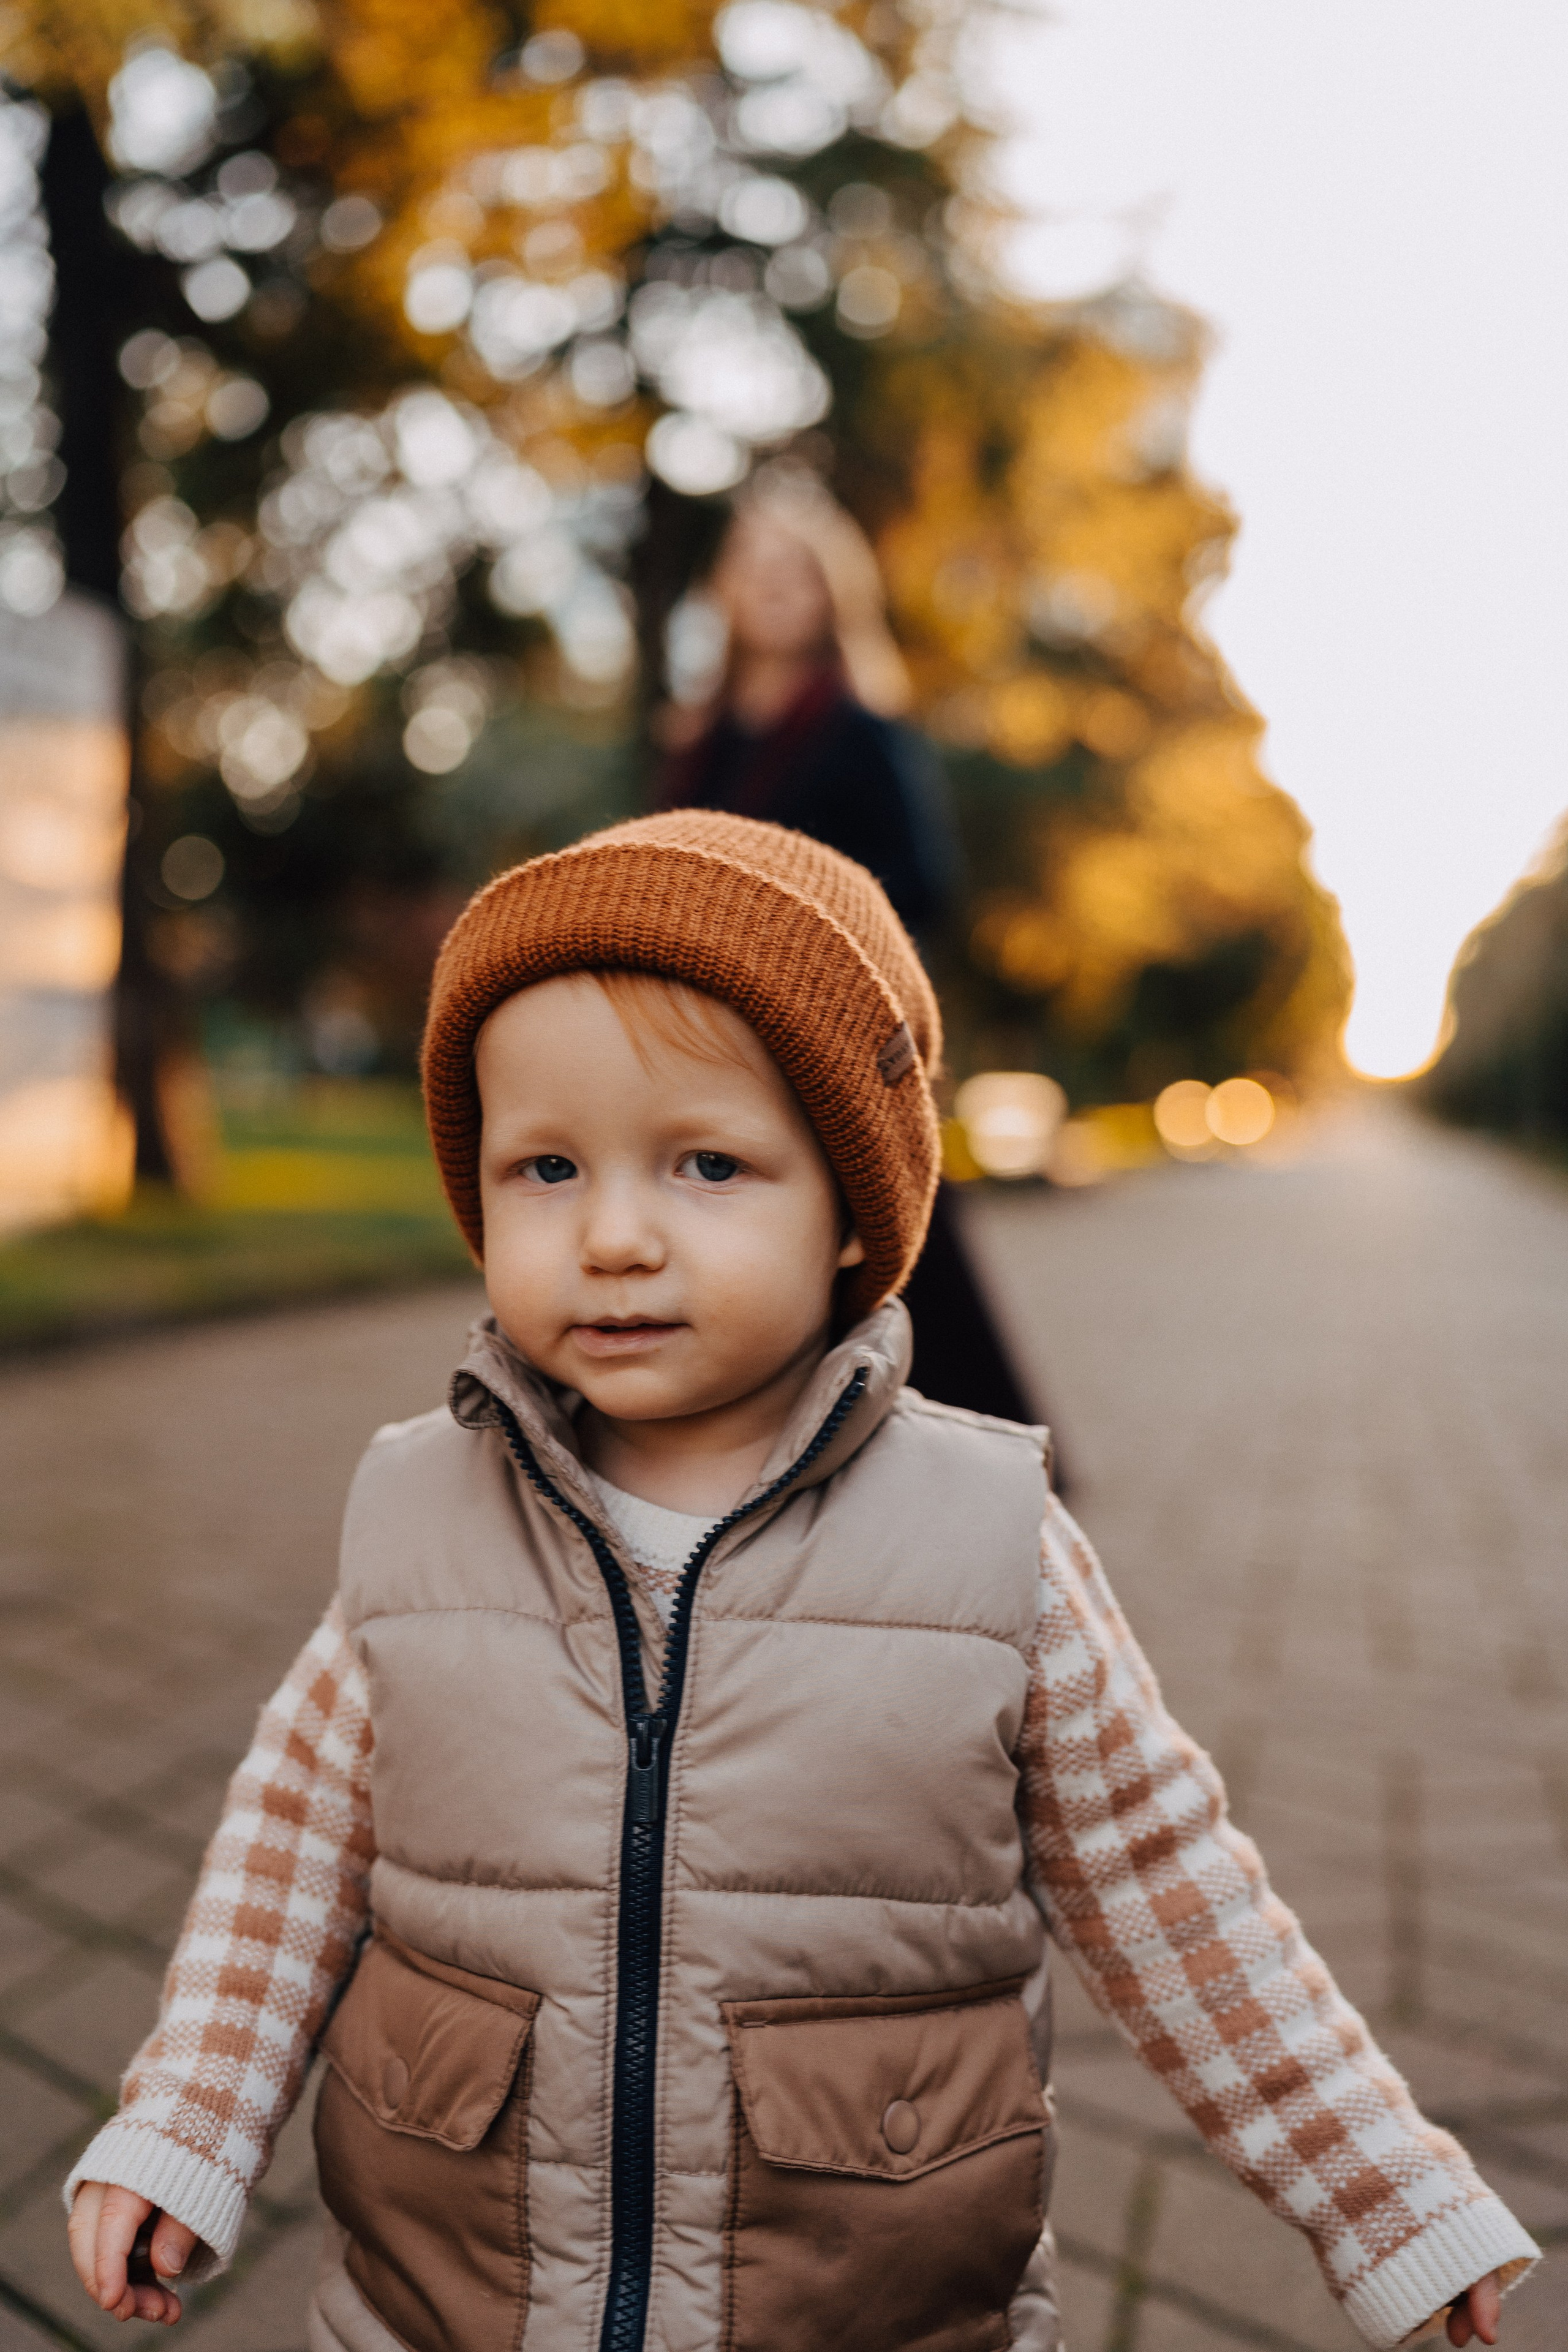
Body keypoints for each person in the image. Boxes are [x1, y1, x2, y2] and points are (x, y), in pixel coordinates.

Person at [66, 813, 1532, 2352]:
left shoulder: (986, 1544)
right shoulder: (419, 1511)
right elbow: (293, 1844)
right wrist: (190, 2118)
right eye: (546, 1167)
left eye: (707, 1164)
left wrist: (1380, 2195)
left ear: (849, 1210)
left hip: (865, 2297)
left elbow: (1171, 1891)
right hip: (447, 2300)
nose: (613, 1236)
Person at [658, 473, 1039, 1431]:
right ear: (724, 589)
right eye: (755, 564)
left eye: (797, 568)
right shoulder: (699, 742)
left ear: (832, 593)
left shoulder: (863, 729)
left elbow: (923, 882)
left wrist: (811, 944)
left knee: (904, 1240)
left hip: (835, 1024)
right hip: (714, 1031)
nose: (774, 583)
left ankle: (988, 1445)